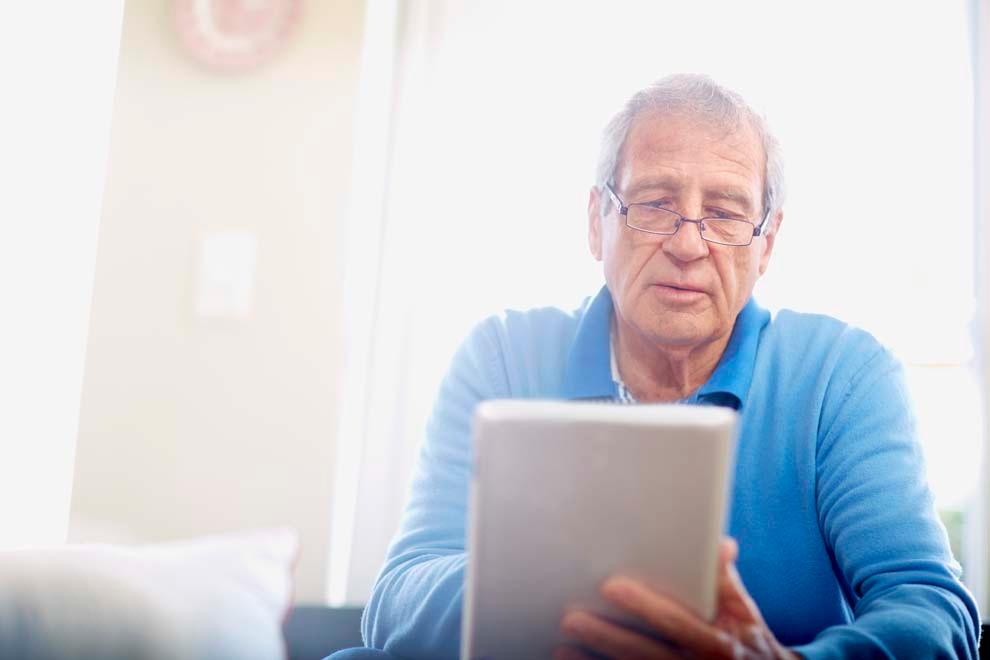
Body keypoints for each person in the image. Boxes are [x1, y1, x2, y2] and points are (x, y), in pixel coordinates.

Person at [330, 74, 981, 659]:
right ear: (597, 221)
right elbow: (398, 602)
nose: (688, 244)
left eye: (724, 213)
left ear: (767, 244)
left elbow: (929, 609)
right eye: (654, 204)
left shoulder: (844, 373)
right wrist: (568, 597)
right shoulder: (503, 354)